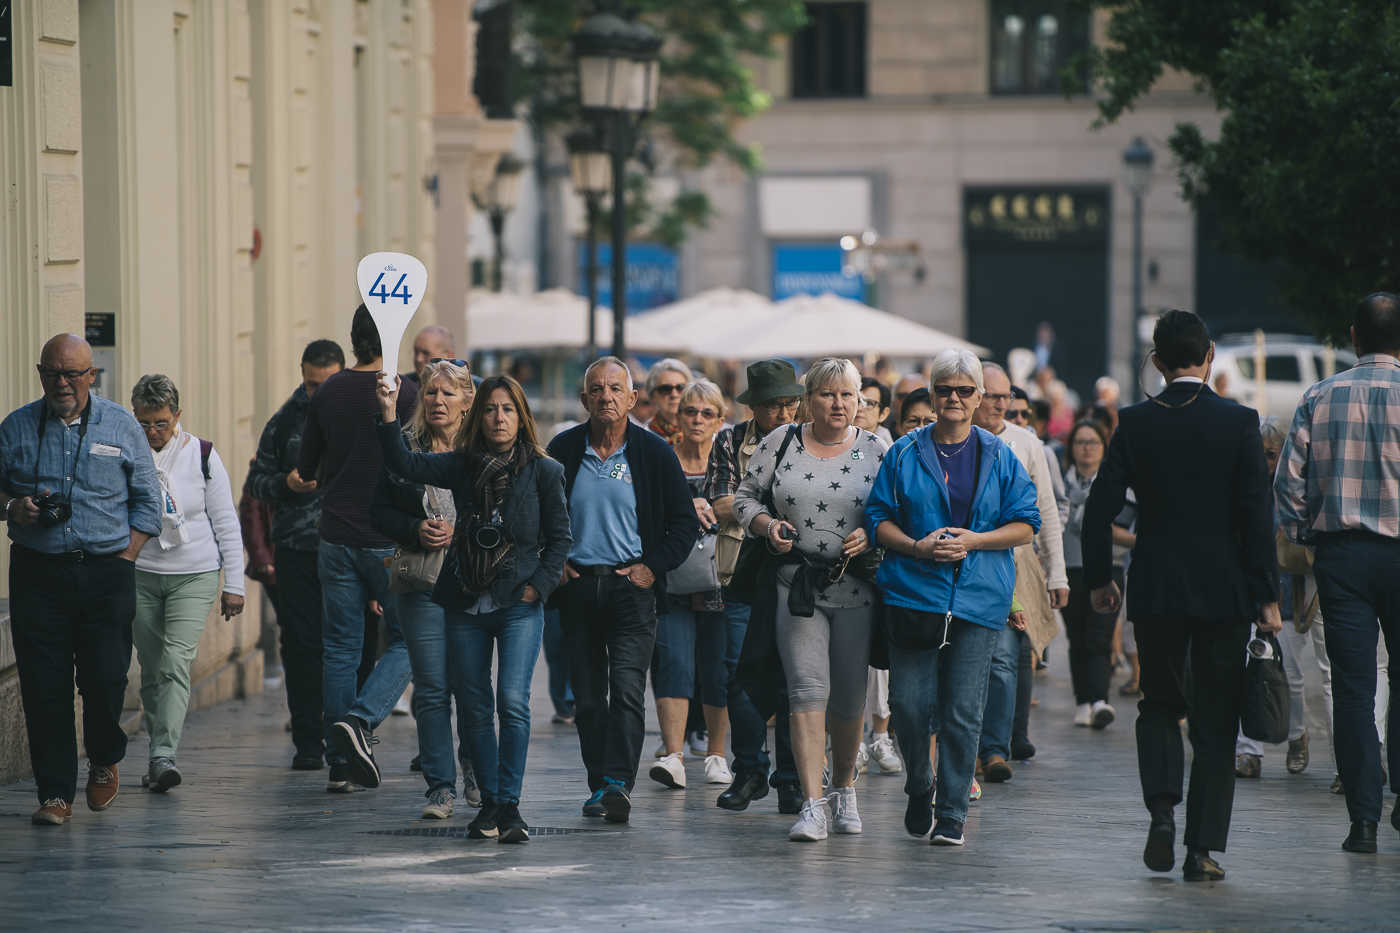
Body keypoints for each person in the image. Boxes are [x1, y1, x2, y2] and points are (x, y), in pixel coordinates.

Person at [1084, 309, 1280, 882]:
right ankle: (1202, 851)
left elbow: (1100, 509)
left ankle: (1163, 811)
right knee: (1217, 723)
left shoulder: (1135, 423)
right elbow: (1256, 517)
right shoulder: (1240, 422)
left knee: (1160, 706)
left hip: (1158, 586)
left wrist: (1101, 578)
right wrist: (1267, 597)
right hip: (1226, 592)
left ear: (1157, 362)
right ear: (1210, 354)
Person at [377, 373, 571, 843]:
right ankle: (487, 804)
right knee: (475, 706)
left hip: (518, 603)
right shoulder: (461, 465)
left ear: (520, 416)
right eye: (489, 409)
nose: (498, 418)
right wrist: (386, 412)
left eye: (507, 409)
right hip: (465, 600)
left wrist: (537, 589)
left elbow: (561, 541)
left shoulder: (545, 471)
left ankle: (510, 804)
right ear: (477, 416)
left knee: (512, 702)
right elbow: (404, 460)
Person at [866, 348, 1040, 847]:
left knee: (964, 711)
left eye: (966, 390)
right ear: (933, 393)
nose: (955, 399)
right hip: (914, 594)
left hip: (979, 598)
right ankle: (920, 783)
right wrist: (918, 546)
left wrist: (975, 540)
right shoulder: (904, 452)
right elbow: (878, 519)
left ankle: (953, 810)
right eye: (946, 389)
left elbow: (1027, 522)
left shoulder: (999, 454)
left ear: (979, 397)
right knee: (909, 704)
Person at [1, 334, 161, 825]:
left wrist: (126, 557)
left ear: (92, 376)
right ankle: (54, 794)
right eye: (53, 373)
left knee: (106, 679)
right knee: (44, 687)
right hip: (37, 573)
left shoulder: (121, 425)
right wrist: (14, 509)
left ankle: (104, 756)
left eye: (73, 373)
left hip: (105, 573)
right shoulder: (17, 427)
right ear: (40, 373)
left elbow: (148, 503)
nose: (63, 383)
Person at [733, 358, 887, 843]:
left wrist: (872, 533)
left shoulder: (877, 449)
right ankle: (811, 802)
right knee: (805, 691)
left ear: (860, 401)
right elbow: (745, 498)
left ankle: (844, 788)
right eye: (826, 394)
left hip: (856, 588)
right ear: (809, 400)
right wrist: (767, 526)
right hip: (794, 585)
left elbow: (895, 509)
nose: (837, 404)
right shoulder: (781, 443)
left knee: (847, 697)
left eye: (846, 395)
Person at [547, 357, 698, 823]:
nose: (606, 396)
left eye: (616, 388)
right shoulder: (564, 449)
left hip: (631, 589)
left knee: (628, 691)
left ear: (633, 399)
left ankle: (618, 784)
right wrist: (557, 565)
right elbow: (539, 516)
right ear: (584, 399)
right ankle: (599, 784)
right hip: (579, 588)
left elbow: (683, 524)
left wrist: (652, 568)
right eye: (597, 389)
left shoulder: (653, 453)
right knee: (588, 697)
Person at [1276, 292, 1400, 854]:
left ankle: (1364, 820)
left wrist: (1306, 534)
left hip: (1341, 556)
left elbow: (1288, 483)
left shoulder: (1319, 397)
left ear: (1354, 337)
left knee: (1352, 689)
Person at [298, 305, 418, 793]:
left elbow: (306, 467)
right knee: (409, 640)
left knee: (341, 649)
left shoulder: (328, 392)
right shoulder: (407, 392)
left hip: (336, 535)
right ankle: (361, 722)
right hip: (391, 540)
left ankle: (338, 764)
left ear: (351, 340)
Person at [368, 358, 475, 819]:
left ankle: (476, 768)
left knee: (471, 686)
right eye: (431, 392)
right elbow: (378, 511)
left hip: (473, 581)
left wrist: (463, 530)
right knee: (431, 688)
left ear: (467, 401)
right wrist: (415, 528)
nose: (438, 401)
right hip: (421, 583)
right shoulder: (403, 447)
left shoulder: (482, 448)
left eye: (449, 393)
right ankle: (441, 787)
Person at [129, 375, 246, 792]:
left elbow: (226, 524)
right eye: (144, 423)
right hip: (141, 574)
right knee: (151, 665)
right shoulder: (126, 453)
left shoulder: (202, 456)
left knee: (176, 661)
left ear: (177, 416)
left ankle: (163, 755)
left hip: (194, 574)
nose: (153, 432)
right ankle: (157, 755)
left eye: (160, 422)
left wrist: (236, 584)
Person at [706, 360, 804, 814]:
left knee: (793, 679)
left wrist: (753, 504)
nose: (782, 413)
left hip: (799, 573)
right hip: (741, 570)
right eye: (772, 406)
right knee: (738, 674)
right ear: (755, 407)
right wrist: (768, 513)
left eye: (789, 403)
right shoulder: (731, 439)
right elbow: (723, 502)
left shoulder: (812, 439)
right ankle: (749, 771)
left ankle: (791, 778)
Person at [245, 339, 345, 769]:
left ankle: (348, 734)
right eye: (309, 384)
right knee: (301, 645)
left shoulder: (360, 414)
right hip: (296, 550)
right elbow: (256, 483)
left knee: (346, 645)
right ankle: (308, 741)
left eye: (325, 384)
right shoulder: (285, 422)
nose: (316, 393)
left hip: (347, 547)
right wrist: (285, 483)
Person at [973, 363, 1068, 781]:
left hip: (1014, 563)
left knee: (1006, 658)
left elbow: (1046, 511)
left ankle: (995, 748)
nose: (998, 404)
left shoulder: (1026, 444)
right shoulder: (950, 442)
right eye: (990, 395)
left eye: (1004, 396)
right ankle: (967, 743)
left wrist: (1058, 574)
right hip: (959, 563)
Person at [647, 379, 736, 790]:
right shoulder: (662, 459)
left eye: (707, 413)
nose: (697, 420)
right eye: (689, 411)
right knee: (673, 663)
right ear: (677, 417)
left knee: (718, 669)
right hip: (672, 579)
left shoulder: (732, 464)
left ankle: (717, 754)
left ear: (721, 419)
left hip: (721, 579)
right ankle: (674, 754)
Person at [1061, 420, 1135, 729]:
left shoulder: (1116, 484)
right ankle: (1082, 701)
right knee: (1077, 636)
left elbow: (1124, 527)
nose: (1087, 448)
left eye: (1093, 442)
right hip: (1067, 569)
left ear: (1104, 448)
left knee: (1100, 635)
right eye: (1080, 442)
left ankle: (1099, 700)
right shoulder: (1060, 485)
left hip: (1108, 568)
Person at [643, 358, 693, 446]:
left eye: (680, 388)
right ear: (653, 396)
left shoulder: (703, 431)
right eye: (665, 389)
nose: (674, 394)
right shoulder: (642, 437)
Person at [856, 377, 893, 445]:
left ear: (883, 414)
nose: (859, 408)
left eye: (869, 403)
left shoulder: (887, 450)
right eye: (856, 401)